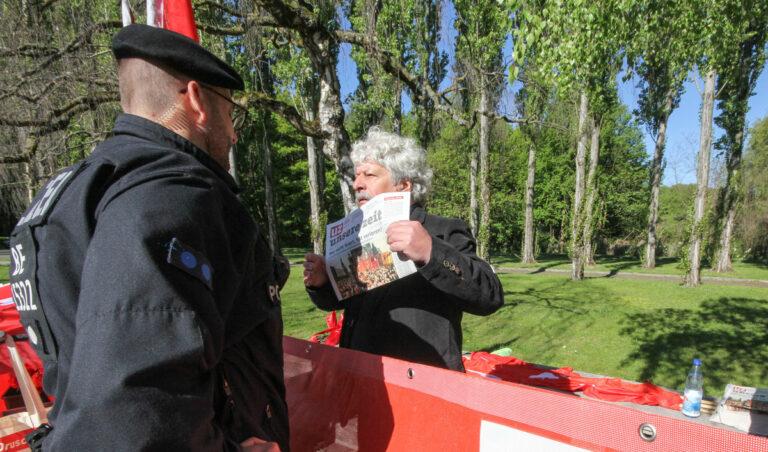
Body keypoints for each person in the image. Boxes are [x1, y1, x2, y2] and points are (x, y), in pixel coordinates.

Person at [8, 24, 288, 451]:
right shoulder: (170, 194)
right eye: (232, 112)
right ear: (196, 101)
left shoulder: (76, 189)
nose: (233, 133)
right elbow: (133, 413)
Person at [303, 128, 504, 371]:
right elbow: (342, 302)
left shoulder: (443, 230)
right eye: (356, 176)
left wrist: (431, 252)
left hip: (425, 384)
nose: (357, 184)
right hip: (360, 378)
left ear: (403, 185)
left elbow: (489, 296)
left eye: (369, 174)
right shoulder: (355, 234)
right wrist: (323, 282)